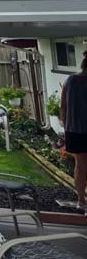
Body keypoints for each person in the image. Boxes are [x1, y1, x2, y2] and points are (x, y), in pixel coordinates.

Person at [60, 52, 87, 212]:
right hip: (78, 129)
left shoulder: (70, 80)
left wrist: (66, 127)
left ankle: (81, 201)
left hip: (74, 130)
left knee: (80, 166)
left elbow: (63, 106)